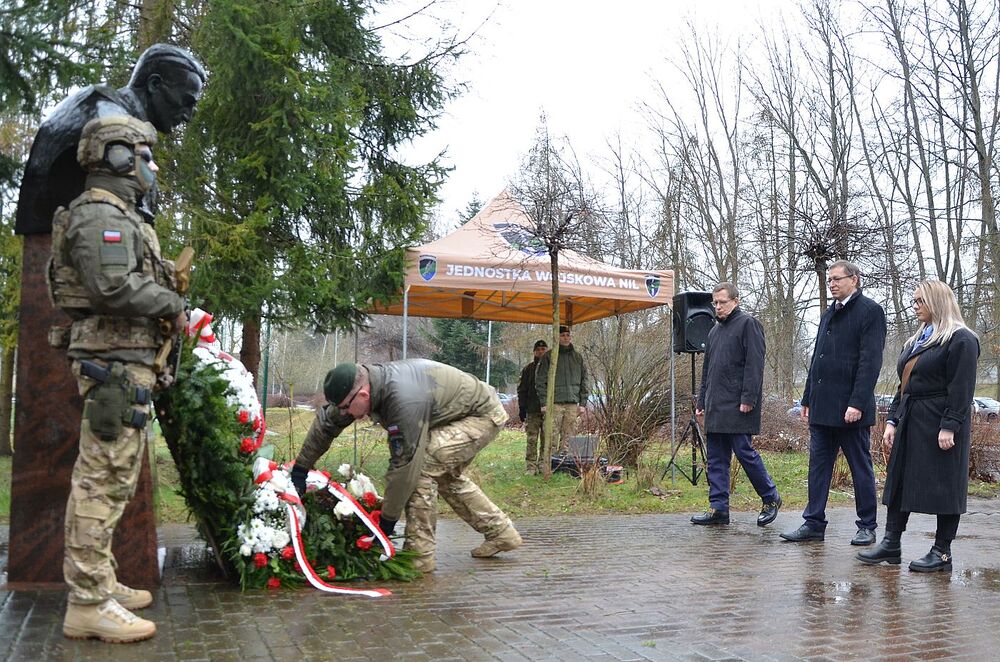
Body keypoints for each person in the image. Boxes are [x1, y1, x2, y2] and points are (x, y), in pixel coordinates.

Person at [56, 117, 186, 643]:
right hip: (111, 363)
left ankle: (101, 581)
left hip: (124, 362)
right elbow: (112, 286)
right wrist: (174, 304)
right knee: (100, 479)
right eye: (143, 155)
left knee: (115, 479)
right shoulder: (99, 216)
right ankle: (87, 603)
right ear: (114, 157)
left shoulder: (123, 215)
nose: (151, 167)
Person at [290, 360, 522, 573]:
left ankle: (420, 555)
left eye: (345, 408)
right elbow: (328, 423)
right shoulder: (358, 390)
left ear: (363, 394)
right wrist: (301, 469)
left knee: (422, 471)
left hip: (481, 415)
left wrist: (386, 523)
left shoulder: (402, 401)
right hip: (453, 414)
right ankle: (501, 533)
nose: (343, 414)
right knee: (444, 476)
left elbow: (405, 465)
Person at [16, 43, 206, 234]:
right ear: (154, 84)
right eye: (186, 101)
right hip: (85, 252)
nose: (188, 116)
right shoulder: (111, 124)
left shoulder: (115, 115)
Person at [858, 281, 979, 572]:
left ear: (936, 301)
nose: (915, 307)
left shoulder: (961, 339)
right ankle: (891, 543)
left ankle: (942, 552)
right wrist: (892, 420)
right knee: (898, 481)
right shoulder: (916, 340)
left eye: (920, 301)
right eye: (914, 301)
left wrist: (950, 425)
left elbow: (962, 388)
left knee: (946, 485)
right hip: (912, 419)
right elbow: (905, 385)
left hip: (941, 420)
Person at [781, 260, 886, 545]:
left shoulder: (870, 312)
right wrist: (807, 397)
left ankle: (867, 525)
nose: (832, 284)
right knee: (817, 468)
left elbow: (870, 362)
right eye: (830, 281)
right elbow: (818, 358)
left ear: (855, 280)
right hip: (822, 407)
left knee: (860, 467)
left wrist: (858, 402)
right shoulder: (829, 313)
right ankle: (813, 523)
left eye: (837, 279)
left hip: (851, 410)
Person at [691, 283, 781, 526]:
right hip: (716, 405)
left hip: (739, 404)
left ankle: (771, 497)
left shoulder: (748, 324)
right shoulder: (713, 332)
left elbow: (755, 364)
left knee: (744, 453)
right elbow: (707, 371)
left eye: (722, 302)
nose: (718, 307)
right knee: (716, 458)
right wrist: (702, 401)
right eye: (715, 303)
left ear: (736, 301)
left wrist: (748, 398)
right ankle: (718, 508)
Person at [535, 325, 590, 454]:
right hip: (554, 403)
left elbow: (584, 381)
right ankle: (549, 466)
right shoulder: (549, 356)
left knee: (569, 438)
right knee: (551, 436)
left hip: (572, 404)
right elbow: (540, 381)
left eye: (567, 335)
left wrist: (582, 403)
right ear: (557, 337)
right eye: (562, 335)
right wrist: (543, 403)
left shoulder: (578, 357)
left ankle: (565, 466)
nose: (565, 338)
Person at [517, 339, 548, 474]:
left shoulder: (552, 368)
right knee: (532, 439)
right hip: (532, 409)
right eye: (538, 350)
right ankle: (531, 466)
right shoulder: (528, 369)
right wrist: (522, 408)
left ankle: (543, 464)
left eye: (543, 349)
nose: (541, 352)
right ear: (534, 352)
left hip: (548, 410)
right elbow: (522, 390)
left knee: (547, 439)